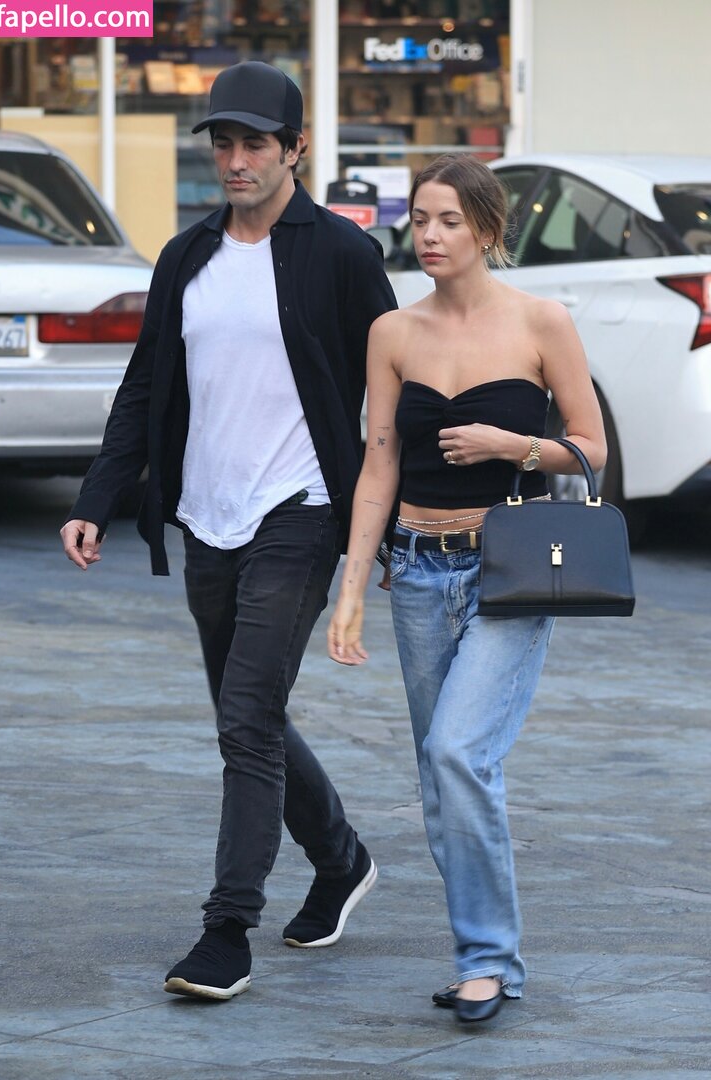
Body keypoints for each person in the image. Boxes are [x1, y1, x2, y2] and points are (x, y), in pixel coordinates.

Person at [60, 61, 397, 1002]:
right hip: (209, 516)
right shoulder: (186, 256)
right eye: (223, 143)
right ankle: (341, 858)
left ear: (297, 149)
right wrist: (96, 496)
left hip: (302, 510)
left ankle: (226, 930)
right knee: (248, 714)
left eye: (255, 143)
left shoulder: (340, 254)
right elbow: (145, 384)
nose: (236, 160)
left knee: (246, 718)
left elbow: (393, 384)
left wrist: (393, 516)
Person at [327, 154, 606, 1023]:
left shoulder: (541, 321)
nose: (431, 234)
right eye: (421, 218)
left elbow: (591, 447)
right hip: (416, 567)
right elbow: (378, 463)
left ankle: (487, 961)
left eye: (449, 219)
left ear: (486, 229)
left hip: (508, 570)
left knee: (458, 753)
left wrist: (510, 446)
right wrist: (351, 588)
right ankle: (483, 955)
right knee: (439, 773)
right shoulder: (393, 332)